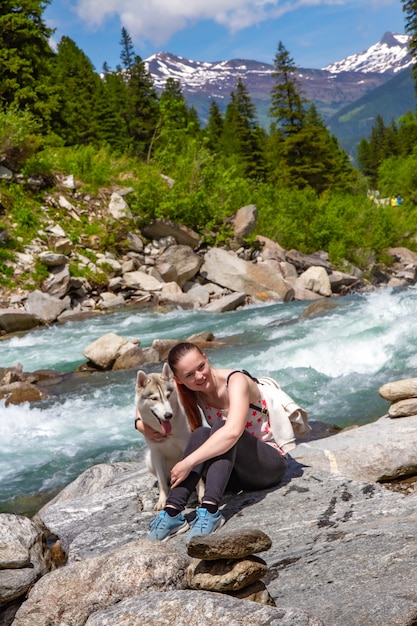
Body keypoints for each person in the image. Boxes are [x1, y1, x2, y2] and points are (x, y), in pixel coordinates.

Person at [140, 342, 296, 542]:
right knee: (201, 434)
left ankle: (210, 511)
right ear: (178, 379)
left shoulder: (236, 380)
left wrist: (187, 463)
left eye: (201, 366)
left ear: (206, 357)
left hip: (267, 466)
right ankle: (172, 514)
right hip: (232, 474)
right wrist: (140, 424)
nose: (199, 376)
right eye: (189, 375)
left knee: (221, 428)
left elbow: (232, 433)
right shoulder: (190, 391)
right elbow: (147, 396)